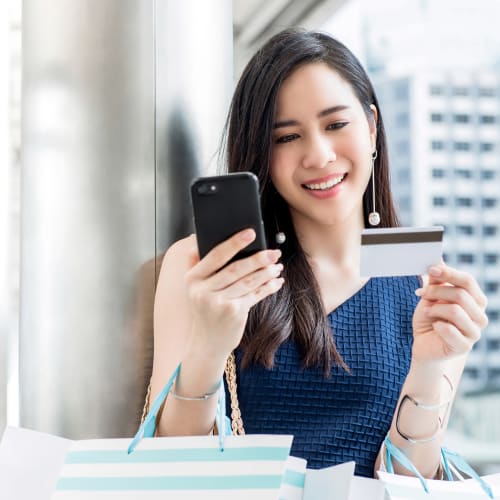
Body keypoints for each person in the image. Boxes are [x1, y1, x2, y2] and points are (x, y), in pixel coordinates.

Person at [147, 29, 488, 479]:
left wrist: (430, 367)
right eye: (286, 137)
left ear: (371, 126)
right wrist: (208, 344)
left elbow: (409, 483)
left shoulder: (423, 276)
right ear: (261, 153)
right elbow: (165, 468)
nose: (319, 155)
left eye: (335, 125)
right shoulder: (206, 268)